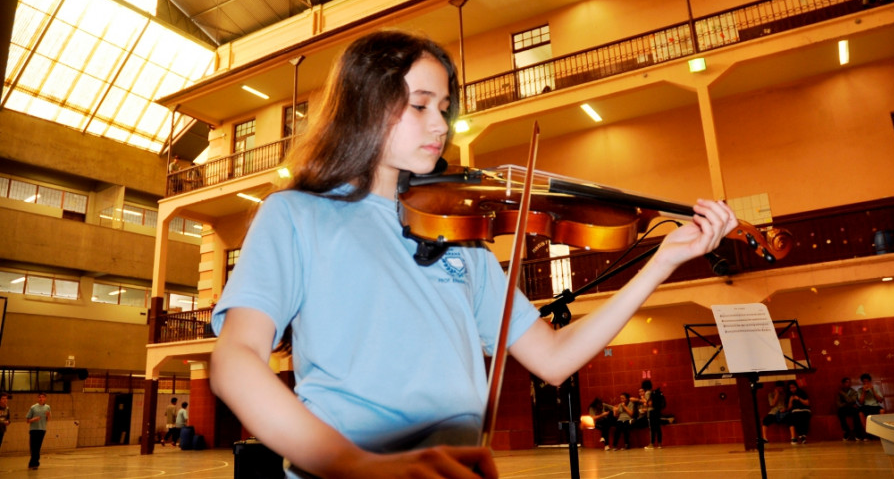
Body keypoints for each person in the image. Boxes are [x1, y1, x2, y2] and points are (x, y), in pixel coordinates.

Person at [208, 29, 737, 479]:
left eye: (443, 108)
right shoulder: (297, 214)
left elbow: (553, 360)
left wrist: (661, 262)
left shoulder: (460, 233)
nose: (441, 125)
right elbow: (236, 361)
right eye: (419, 106)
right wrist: (356, 465)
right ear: (365, 103)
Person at [26, 392, 51, 470]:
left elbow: (48, 420)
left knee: (38, 447)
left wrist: (48, 415)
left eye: (43, 397)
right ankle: (34, 463)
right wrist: (34, 419)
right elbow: (27, 420)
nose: (41, 398)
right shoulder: (33, 407)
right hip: (33, 429)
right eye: (40, 397)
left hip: (42, 429)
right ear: (38, 398)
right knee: (33, 447)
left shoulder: (48, 407)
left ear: (45, 398)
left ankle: (34, 463)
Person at [857, 372, 885, 439]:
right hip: (865, 406)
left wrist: (872, 390)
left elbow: (880, 400)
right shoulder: (860, 390)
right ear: (862, 382)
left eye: (867, 381)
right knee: (860, 413)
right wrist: (864, 391)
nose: (866, 383)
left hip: (875, 405)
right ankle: (867, 432)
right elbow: (861, 402)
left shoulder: (875, 388)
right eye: (864, 381)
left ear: (870, 381)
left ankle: (881, 432)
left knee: (882, 411)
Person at [835, 377, 863, 441]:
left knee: (857, 412)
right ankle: (847, 431)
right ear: (843, 384)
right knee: (840, 412)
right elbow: (839, 405)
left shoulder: (853, 392)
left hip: (851, 408)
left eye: (849, 382)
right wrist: (848, 403)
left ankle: (857, 433)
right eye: (846, 382)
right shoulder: (839, 393)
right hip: (844, 409)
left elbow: (852, 400)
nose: (848, 384)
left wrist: (843, 394)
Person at [786, 380, 812, 444]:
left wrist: (799, 399)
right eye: (790, 388)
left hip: (804, 410)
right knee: (796, 418)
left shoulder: (802, 393)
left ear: (796, 387)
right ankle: (801, 436)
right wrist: (790, 400)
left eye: (793, 387)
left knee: (805, 417)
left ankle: (803, 435)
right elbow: (788, 408)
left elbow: (807, 403)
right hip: (795, 411)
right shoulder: (789, 395)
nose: (792, 389)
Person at [641, 380, 662, 449]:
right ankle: (659, 444)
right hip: (657, 411)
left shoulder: (647, 393)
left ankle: (651, 444)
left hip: (651, 412)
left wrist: (642, 399)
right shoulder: (653, 392)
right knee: (658, 428)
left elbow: (649, 404)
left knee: (652, 428)